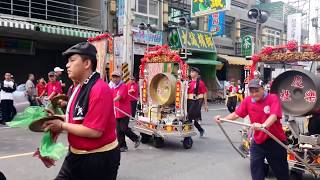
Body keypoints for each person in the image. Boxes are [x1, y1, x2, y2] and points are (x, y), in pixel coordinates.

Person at [43, 42, 120, 180]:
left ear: (87, 64)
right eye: (68, 62)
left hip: (98, 158)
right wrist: (58, 118)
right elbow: (76, 118)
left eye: (72, 61)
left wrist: (61, 125)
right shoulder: (77, 87)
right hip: (76, 154)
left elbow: (94, 131)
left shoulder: (99, 89)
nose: (67, 65)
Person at [215, 78, 289, 180]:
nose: (254, 94)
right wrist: (223, 119)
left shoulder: (273, 98)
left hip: (275, 141)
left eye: (257, 91)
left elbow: (274, 116)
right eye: (252, 91)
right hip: (258, 142)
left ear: (263, 89)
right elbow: (237, 114)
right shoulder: (248, 101)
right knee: (256, 171)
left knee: (282, 174)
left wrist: (263, 125)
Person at [109, 70, 140, 152]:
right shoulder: (112, 87)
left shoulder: (123, 86)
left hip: (124, 112)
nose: (115, 79)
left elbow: (118, 97)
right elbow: (108, 95)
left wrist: (110, 101)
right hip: (117, 112)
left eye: (117, 77)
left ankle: (136, 138)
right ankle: (122, 146)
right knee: (118, 131)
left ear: (120, 78)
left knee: (124, 128)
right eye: (113, 77)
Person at [187, 67, 208, 137]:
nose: (191, 73)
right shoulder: (188, 82)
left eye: (193, 72)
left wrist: (205, 105)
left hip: (195, 102)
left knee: (189, 117)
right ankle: (201, 129)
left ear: (197, 74)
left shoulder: (200, 83)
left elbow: (204, 93)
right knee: (191, 118)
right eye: (191, 72)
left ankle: (188, 135)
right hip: (188, 101)